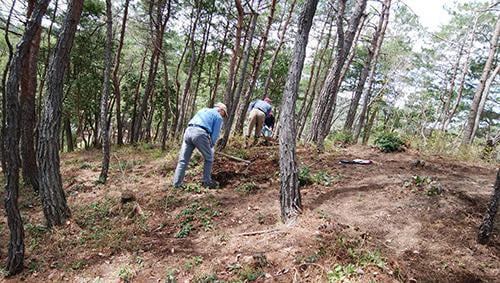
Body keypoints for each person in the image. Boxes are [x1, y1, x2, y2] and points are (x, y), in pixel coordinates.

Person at [172, 103, 227, 189]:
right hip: (200, 133)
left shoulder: (203, 110)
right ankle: (207, 182)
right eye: (224, 114)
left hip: (188, 131)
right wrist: (211, 146)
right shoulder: (218, 116)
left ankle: (176, 184)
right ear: (221, 110)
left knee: (183, 160)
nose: (223, 116)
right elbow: (215, 134)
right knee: (209, 158)